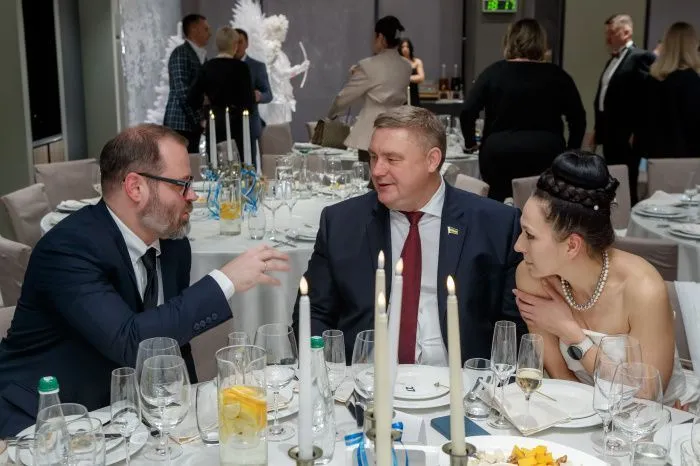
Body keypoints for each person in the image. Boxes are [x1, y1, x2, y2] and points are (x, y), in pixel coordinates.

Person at [0, 124, 289, 436]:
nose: (193, 196)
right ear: (135, 187)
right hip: (43, 422)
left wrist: (186, 418)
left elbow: (174, 339)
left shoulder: (173, 244)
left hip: (121, 418)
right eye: (182, 184)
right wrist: (224, 280)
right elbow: (132, 342)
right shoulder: (68, 249)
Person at [292, 106, 525, 366]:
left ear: (432, 160)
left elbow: (514, 326)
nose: (377, 170)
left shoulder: (496, 224)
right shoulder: (342, 222)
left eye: (392, 159)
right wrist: (326, 372)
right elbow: (313, 311)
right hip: (364, 378)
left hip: (461, 379)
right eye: (373, 157)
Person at [513, 150, 694, 407]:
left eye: (530, 235)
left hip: (654, 420)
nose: (518, 246)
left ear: (572, 246)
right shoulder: (533, 278)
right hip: (576, 411)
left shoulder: (642, 289)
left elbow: (645, 398)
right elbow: (560, 378)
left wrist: (573, 335)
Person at [460, 18, 585, 202]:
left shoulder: (492, 73)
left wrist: (471, 142)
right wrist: (571, 152)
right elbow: (578, 119)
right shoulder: (558, 75)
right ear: (541, 42)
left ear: (509, 41)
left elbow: (467, 111)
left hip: (499, 153)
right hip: (546, 153)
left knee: (498, 207)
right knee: (544, 206)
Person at [589, 14, 655, 205]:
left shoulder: (641, 57)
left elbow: (645, 98)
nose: (607, 38)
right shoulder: (612, 60)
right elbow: (605, 97)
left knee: (627, 180)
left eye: (611, 33)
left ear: (626, 32)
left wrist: (638, 131)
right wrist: (597, 128)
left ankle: (628, 213)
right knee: (612, 178)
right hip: (609, 131)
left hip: (627, 134)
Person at [328, 16, 412, 163]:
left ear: (381, 37)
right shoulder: (406, 66)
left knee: (369, 173)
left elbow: (343, 98)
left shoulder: (368, 65)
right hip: (397, 129)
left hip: (371, 131)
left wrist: (332, 115)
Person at [188, 27, 255, 158]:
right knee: (237, 164)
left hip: (215, 123)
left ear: (217, 45)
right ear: (235, 45)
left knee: (215, 163)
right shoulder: (242, 68)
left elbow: (191, 98)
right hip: (237, 125)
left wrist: (205, 109)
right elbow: (249, 102)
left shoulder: (208, 67)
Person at [638, 22, 700, 160]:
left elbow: (643, 121)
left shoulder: (653, 79)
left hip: (656, 155)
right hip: (687, 158)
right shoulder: (693, 80)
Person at [163, 13, 211, 153]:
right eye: (206, 29)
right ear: (194, 29)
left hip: (193, 123)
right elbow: (182, 92)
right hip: (179, 123)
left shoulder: (202, 55)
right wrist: (198, 120)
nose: (210, 33)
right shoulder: (180, 53)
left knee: (193, 161)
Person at [234, 28, 273, 166]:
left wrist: (259, 96)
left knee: (249, 165)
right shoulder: (223, 65)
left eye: (240, 42)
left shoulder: (257, 66)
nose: (237, 46)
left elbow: (268, 94)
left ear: (247, 44)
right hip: (228, 123)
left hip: (249, 123)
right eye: (234, 42)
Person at [399, 38, 424, 106]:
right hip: (400, 95)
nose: (405, 49)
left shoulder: (417, 61)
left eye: (407, 47)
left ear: (410, 48)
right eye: (403, 47)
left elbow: (421, 77)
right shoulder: (397, 62)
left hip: (414, 94)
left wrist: (406, 78)